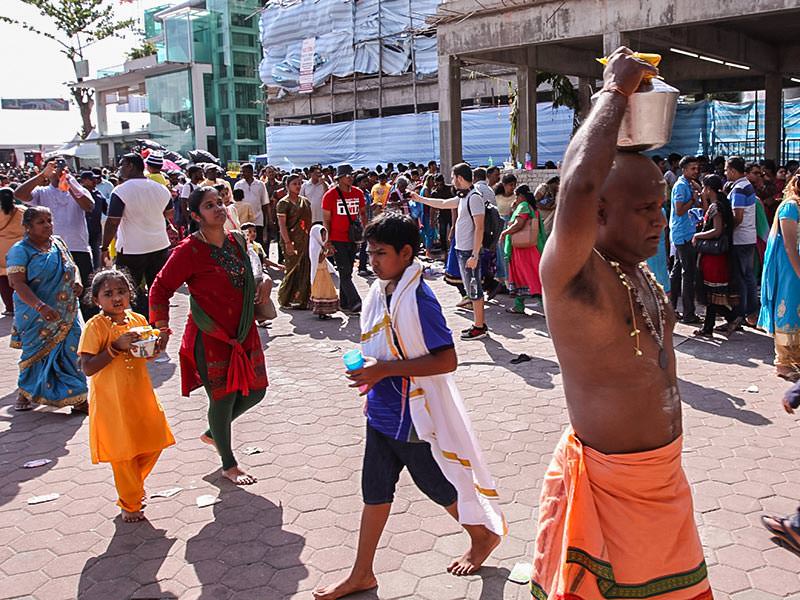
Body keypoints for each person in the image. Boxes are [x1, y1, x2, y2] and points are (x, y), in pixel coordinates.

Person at [531, 48, 712, 600]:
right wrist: (613, 92)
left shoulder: (640, 274)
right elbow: (578, 188)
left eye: (662, 205)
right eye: (645, 209)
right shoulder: (572, 276)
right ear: (600, 214)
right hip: (613, 494)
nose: (661, 218)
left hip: (664, 484)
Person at [312, 213, 504, 600]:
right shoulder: (383, 290)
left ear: (405, 253)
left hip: (412, 415)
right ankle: (362, 573)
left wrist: (383, 369)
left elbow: (447, 360)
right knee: (375, 491)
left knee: (435, 485)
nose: (373, 261)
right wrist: (375, 371)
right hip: (382, 410)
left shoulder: (419, 298)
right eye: (370, 253)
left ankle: (481, 536)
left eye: (381, 253)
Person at [149, 186, 270, 485]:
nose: (218, 208)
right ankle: (229, 464)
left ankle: (213, 432)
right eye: (208, 205)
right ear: (194, 215)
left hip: (242, 331)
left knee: (257, 390)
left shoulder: (237, 240)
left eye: (219, 202)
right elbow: (160, 288)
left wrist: (264, 280)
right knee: (223, 397)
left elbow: (254, 272)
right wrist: (161, 328)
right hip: (211, 335)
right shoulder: (188, 251)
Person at [78, 268, 175, 522]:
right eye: (108, 293)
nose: (116, 298)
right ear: (96, 299)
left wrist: (158, 345)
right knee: (123, 455)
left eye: (121, 291)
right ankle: (130, 503)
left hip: (140, 395)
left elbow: (146, 355)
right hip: (113, 402)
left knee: (154, 442)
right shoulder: (94, 326)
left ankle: (133, 487)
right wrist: (115, 347)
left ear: (130, 293)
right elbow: (87, 368)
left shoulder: (138, 320)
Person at [7, 207, 88, 413]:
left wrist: (77, 281)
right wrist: (40, 306)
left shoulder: (58, 243)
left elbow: (73, 266)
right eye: (41, 222)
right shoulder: (20, 250)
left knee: (72, 350)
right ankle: (26, 392)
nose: (48, 225)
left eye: (49, 220)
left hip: (67, 310)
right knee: (35, 353)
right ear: (27, 226)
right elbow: (17, 283)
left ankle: (77, 397)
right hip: (36, 314)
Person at [411, 163, 488, 340]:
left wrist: (475, 254)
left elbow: (480, 227)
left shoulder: (474, 198)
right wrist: (420, 199)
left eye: (453, 177)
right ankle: (478, 323)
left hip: (470, 252)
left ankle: (480, 327)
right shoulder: (464, 197)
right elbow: (444, 203)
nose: (452, 181)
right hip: (463, 250)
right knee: (471, 289)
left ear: (460, 178)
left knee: (475, 289)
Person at [101, 153, 173, 320]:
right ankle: (158, 323)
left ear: (131, 166)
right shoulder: (161, 189)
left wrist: (104, 248)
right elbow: (169, 213)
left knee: (130, 290)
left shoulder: (120, 191)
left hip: (132, 250)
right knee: (157, 288)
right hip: (159, 246)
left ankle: (142, 323)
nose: (120, 169)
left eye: (122, 165)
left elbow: (112, 223)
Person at [14, 159, 95, 307]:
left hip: (78, 248)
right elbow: (19, 194)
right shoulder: (41, 192)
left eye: (62, 168)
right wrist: (41, 176)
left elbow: (89, 206)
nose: (58, 171)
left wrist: (69, 183)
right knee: (54, 295)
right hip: (51, 251)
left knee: (86, 298)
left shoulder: (78, 189)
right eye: (55, 168)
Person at [758, 174, 800, 381]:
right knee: (788, 308)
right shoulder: (790, 207)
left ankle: (797, 357)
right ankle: (782, 363)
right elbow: (790, 246)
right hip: (790, 269)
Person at [691, 174, 738, 338]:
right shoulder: (721, 204)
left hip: (713, 257)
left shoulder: (716, 207)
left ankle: (730, 317)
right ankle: (709, 326)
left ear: (709, 189)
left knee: (711, 292)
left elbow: (717, 231)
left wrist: (698, 236)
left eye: (704, 188)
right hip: (719, 256)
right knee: (712, 294)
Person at [322, 165, 367, 314]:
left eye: (351, 175)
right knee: (344, 270)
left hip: (353, 238)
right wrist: (327, 241)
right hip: (337, 238)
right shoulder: (330, 195)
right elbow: (326, 220)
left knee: (347, 272)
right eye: (347, 175)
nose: (350, 177)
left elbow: (362, 214)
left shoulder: (358, 193)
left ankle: (345, 303)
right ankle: (355, 301)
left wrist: (366, 231)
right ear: (339, 178)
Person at [726, 156, 761, 330]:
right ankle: (751, 311)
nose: (726, 173)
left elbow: (737, 217)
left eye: (727, 170)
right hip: (748, 236)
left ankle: (744, 311)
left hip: (740, 238)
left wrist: (725, 229)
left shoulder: (739, 188)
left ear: (732, 170)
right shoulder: (747, 186)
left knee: (742, 277)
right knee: (748, 276)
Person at [668, 155, 702, 324]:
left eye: (697, 168)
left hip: (686, 232)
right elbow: (679, 210)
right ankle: (688, 313)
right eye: (692, 169)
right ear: (684, 169)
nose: (696, 171)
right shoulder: (681, 186)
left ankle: (672, 308)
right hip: (683, 234)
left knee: (678, 271)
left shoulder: (688, 184)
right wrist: (693, 200)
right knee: (687, 274)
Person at [500, 185, 542, 315]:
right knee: (532, 274)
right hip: (530, 247)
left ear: (521, 196)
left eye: (516, 195)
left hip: (522, 249)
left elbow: (519, 224)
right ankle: (520, 305)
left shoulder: (523, 206)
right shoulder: (530, 206)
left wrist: (505, 233)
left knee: (524, 274)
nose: (515, 198)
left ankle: (526, 304)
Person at [276, 174, 312, 309]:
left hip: (305, 240)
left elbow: (309, 223)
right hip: (290, 240)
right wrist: (287, 243)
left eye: (299, 183)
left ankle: (302, 299)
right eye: (294, 184)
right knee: (292, 269)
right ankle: (286, 298)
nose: (298, 186)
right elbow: (282, 225)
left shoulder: (305, 202)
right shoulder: (283, 203)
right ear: (287, 186)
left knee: (304, 269)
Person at [0, 187, 25, 315]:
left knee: (3, 278)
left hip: (1, 248)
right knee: (20, 277)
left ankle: (10, 308)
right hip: (19, 248)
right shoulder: (22, 211)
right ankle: (23, 304)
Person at [308, 224, 339, 319]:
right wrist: (326, 251)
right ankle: (322, 311)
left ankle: (325, 311)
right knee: (322, 292)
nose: (324, 237)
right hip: (319, 274)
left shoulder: (318, 245)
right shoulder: (315, 246)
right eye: (322, 235)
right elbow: (319, 259)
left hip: (323, 271)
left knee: (327, 291)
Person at [79, 170, 108, 269]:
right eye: (92, 179)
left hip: (95, 231)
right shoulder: (77, 194)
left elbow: (106, 210)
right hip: (81, 233)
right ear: (83, 181)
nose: (95, 181)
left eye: (95, 179)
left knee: (97, 257)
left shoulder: (98, 194)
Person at [234, 163, 268, 244]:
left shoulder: (260, 184)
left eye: (245, 172)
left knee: (258, 243)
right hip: (243, 222)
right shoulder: (238, 185)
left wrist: (267, 221)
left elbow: (265, 204)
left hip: (258, 220)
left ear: (251, 172)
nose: (243, 174)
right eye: (242, 172)